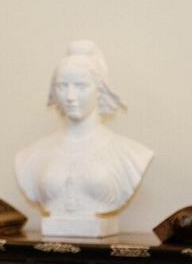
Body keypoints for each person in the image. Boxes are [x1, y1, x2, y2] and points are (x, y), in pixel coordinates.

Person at [14, 40, 152, 237]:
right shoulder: (30, 155)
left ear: (99, 90)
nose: (70, 96)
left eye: (80, 86)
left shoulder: (131, 153)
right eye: (62, 86)